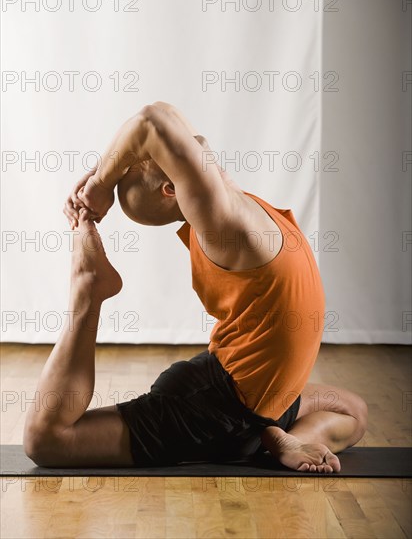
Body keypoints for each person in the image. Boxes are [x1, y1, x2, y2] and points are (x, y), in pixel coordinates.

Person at [23, 102, 368, 472]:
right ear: (174, 188)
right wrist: (100, 184)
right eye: (166, 156)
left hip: (262, 401)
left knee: (354, 412)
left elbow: (167, 127)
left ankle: (270, 433)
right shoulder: (224, 222)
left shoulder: (230, 198)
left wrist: (109, 165)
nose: (188, 145)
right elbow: (152, 121)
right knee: (47, 440)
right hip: (210, 408)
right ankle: (88, 287)